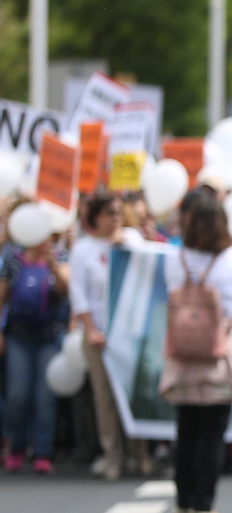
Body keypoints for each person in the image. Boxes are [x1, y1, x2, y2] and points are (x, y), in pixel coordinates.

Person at [163, 187, 232, 513]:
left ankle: (183, 503)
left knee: (186, 427)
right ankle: (204, 505)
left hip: (183, 349)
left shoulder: (175, 258)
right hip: (221, 351)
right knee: (213, 428)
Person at [68, 191, 146, 479]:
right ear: (95, 217)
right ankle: (112, 456)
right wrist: (90, 328)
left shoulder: (132, 239)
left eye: (118, 212)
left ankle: (140, 454)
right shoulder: (84, 249)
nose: (115, 218)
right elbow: (78, 293)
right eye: (109, 213)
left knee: (131, 394)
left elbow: (146, 276)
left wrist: (126, 249)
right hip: (99, 333)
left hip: (129, 333)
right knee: (105, 398)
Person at [0, 211, 69, 474]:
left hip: (50, 337)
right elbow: (2, 297)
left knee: (45, 397)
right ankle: (16, 446)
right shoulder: (12, 261)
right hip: (19, 337)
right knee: (17, 395)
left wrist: (53, 266)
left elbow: (67, 290)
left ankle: (43, 451)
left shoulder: (61, 258)